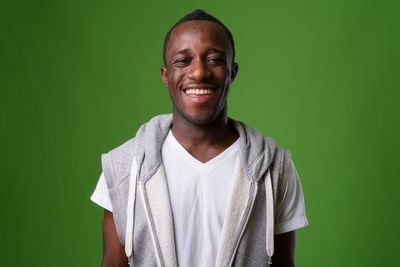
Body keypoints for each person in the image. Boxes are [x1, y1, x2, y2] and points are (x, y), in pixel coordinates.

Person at [91, 9, 308, 267]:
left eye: (214, 60)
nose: (199, 73)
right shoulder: (123, 169)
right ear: (165, 75)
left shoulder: (275, 169)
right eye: (183, 61)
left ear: (232, 72)